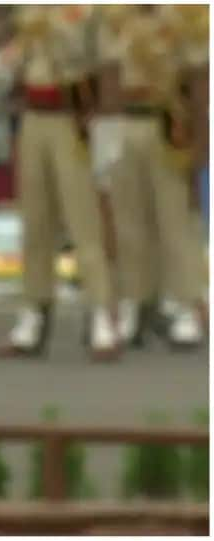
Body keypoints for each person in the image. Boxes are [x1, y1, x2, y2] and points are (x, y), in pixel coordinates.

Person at [0, 5, 118, 361]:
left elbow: (108, 65)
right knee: (35, 222)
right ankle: (34, 312)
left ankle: (100, 313)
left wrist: (105, 126)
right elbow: (11, 49)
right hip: (33, 115)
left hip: (73, 116)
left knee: (84, 221)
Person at [100, 5, 205, 348]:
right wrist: (104, 138)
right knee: (129, 218)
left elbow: (198, 80)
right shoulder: (115, 18)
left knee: (174, 220)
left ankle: (187, 304)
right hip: (126, 122)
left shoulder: (185, 17)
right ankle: (136, 301)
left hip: (168, 125)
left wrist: (201, 141)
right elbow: (109, 78)